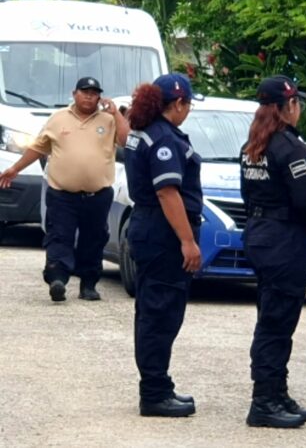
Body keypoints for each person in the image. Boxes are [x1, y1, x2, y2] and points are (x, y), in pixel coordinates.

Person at [240, 75, 306, 429]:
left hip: (261, 235)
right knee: (277, 323)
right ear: (288, 107)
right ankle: (265, 401)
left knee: (272, 315)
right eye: (297, 103)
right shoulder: (290, 147)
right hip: (284, 241)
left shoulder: (253, 145)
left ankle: (277, 393)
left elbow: (248, 196)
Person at [0, 77, 128, 302]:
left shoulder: (108, 120)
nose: (89, 96)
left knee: (94, 238)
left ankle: (89, 284)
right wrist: (14, 169)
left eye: (94, 93)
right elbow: (38, 148)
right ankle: (57, 278)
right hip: (62, 193)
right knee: (59, 235)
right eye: (84, 91)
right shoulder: (58, 119)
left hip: (97, 195)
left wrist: (116, 113)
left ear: (99, 96)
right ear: (74, 93)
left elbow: (126, 140)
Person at [124, 73, 203, 418]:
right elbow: (167, 191)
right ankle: (154, 393)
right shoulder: (163, 138)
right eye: (188, 104)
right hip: (162, 233)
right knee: (160, 314)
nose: (188, 111)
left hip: (148, 227)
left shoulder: (145, 131)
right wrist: (187, 241)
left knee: (152, 311)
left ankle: (158, 385)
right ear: (179, 103)